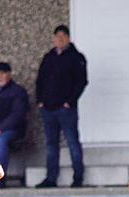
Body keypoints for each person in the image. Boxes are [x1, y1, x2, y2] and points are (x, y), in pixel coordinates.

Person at [36, 24, 88, 188]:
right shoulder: (48, 57)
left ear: (68, 38)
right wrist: (40, 100)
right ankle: (51, 178)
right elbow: (40, 80)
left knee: (72, 142)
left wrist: (70, 101)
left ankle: (78, 177)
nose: (59, 39)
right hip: (48, 109)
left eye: (63, 36)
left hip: (66, 109)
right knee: (51, 145)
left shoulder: (76, 57)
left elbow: (81, 82)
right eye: (56, 36)